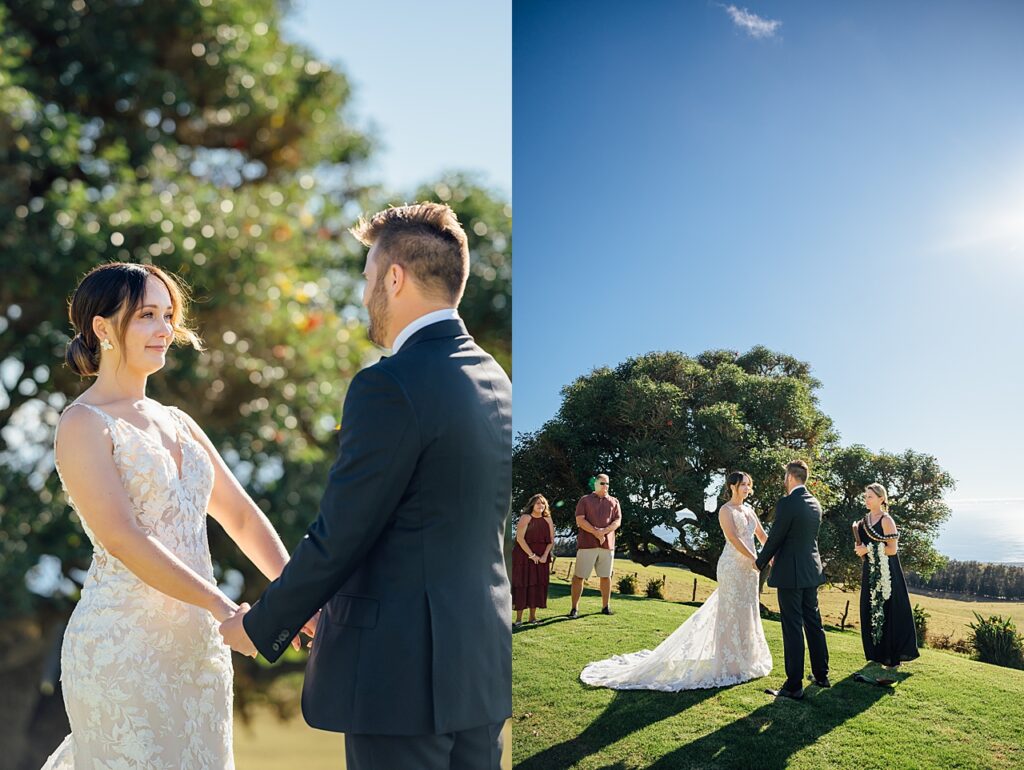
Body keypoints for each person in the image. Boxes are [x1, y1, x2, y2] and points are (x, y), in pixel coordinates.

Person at [218, 203, 513, 770]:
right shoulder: (495, 380)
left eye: (367, 277)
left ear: (394, 277)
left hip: (399, 679)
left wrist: (261, 625)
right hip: (480, 668)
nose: (363, 294)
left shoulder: (389, 385)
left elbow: (344, 532)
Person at [41, 262, 309, 769]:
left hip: (200, 654)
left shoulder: (179, 421)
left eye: (168, 315)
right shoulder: (82, 424)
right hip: (122, 652)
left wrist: (298, 596)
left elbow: (242, 517)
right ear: (102, 328)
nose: (165, 329)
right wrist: (223, 607)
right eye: (147, 315)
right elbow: (123, 537)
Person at [580, 471, 773, 690]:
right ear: (732, 486)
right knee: (729, 612)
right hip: (732, 567)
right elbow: (734, 539)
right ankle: (729, 662)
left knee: (747, 611)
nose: (747, 488)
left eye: (749, 484)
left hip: (750, 570)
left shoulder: (749, 510)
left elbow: (762, 535)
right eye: (743, 485)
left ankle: (746, 659)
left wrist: (772, 555)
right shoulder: (725, 510)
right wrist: (755, 558)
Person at [754, 460, 831, 700]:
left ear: (789, 477)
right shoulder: (814, 503)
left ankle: (794, 685)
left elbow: (776, 537)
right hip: (811, 571)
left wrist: (758, 563)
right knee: (813, 622)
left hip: (791, 574)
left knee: (792, 627)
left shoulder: (788, 503)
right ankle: (821, 674)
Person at [854, 483, 919, 678]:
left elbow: (892, 549)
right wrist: (860, 550)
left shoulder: (886, 520)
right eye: (865, 496)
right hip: (870, 570)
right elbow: (864, 544)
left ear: (882, 499)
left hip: (888, 572)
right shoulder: (864, 520)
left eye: (870, 497)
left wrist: (868, 550)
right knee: (869, 607)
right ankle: (876, 653)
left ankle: (892, 657)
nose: (867, 500)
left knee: (889, 611)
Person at [568, 474, 621, 618]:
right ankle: (574, 609)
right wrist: (596, 532)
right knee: (579, 576)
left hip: (607, 546)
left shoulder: (614, 501)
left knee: (606, 576)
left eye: (608, 483)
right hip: (587, 545)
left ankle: (605, 607)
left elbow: (617, 521)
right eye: (603, 483)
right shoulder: (585, 500)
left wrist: (604, 532)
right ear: (595, 484)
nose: (606, 486)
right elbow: (580, 520)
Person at [512, 494, 555, 626]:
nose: (540, 506)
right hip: (524, 557)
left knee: (536, 585)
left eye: (543, 503)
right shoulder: (526, 517)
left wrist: (544, 556)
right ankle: (518, 620)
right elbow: (520, 539)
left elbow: (551, 541)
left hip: (542, 559)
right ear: (532, 505)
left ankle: (532, 618)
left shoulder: (548, 520)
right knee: (522, 585)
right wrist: (532, 555)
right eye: (537, 503)